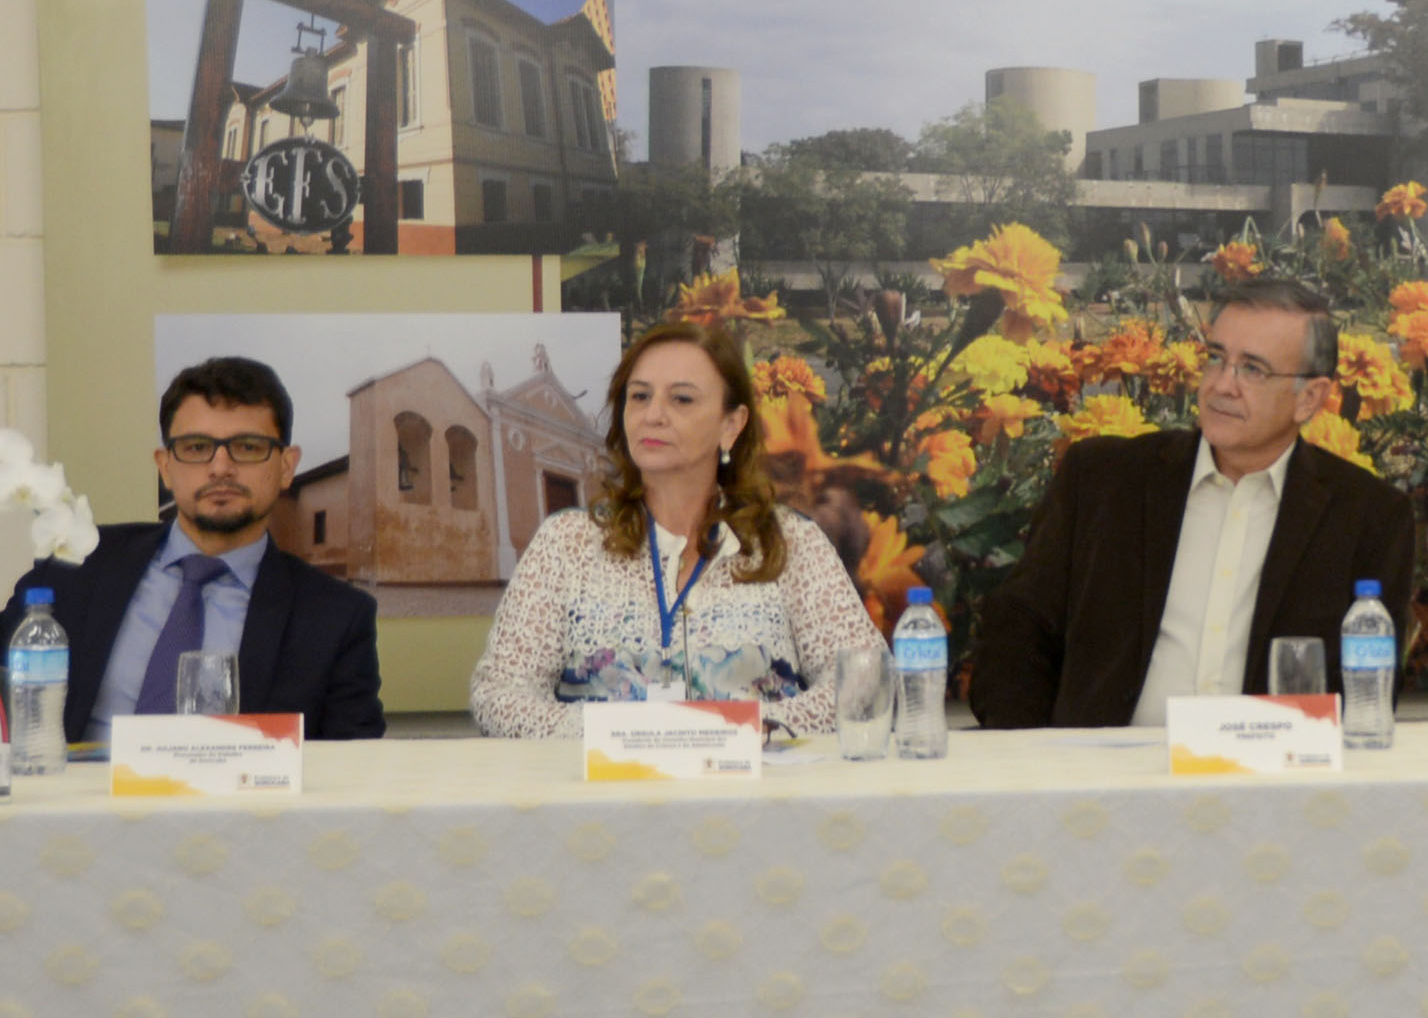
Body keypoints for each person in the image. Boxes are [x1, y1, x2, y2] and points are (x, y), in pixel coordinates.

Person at [970, 279, 1417, 729]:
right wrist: (1035, 755)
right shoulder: (1104, 480)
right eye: (1216, 358)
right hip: (1104, 763)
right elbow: (1017, 632)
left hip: (1269, 768)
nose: (1222, 385)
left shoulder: (1368, 517)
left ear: (1310, 398)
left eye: (1253, 369)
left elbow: (1368, 693)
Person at [470, 320, 880, 737]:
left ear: (731, 425)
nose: (653, 415)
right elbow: (499, 694)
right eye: (639, 396)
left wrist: (743, 731)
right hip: (606, 777)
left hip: (757, 774)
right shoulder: (566, 543)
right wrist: (618, 733)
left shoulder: (790, 542)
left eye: (681, 398)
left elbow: (867, 677)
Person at [2, 357, 382, 738]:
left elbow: (357, 762)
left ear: (286, 466)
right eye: (197, 447)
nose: (221, 467)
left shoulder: (335, 618)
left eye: (248, 447)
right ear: (165, 466)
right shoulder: (79, 564)